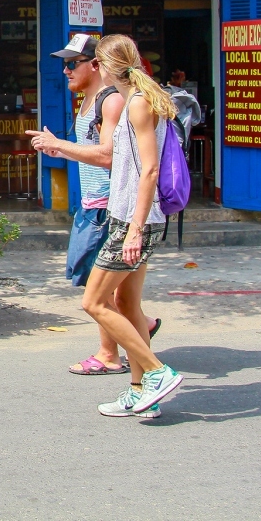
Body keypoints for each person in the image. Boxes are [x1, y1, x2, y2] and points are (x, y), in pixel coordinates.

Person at [27, 33, 160, 377]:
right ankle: (141, 373)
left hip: (110, 209)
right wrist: (62, 148)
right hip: (104, 207)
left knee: (97, 295)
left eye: (73, 64)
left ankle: (117, 357)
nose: (66, 71)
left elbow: (111, 157)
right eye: (64, 64)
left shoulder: (116, 102)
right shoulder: (93, 101)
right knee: (115, 297)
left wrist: (60, 146)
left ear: (97, 65)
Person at [74, 34, 184, 418]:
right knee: (127, 304)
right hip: (136, 218)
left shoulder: (137, 103)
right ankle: (140, 391)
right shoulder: (142, 98)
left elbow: (150, 168)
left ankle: (156, 372)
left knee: (94, 301)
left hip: (133, 221)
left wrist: (135, 228)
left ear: (104, 66)